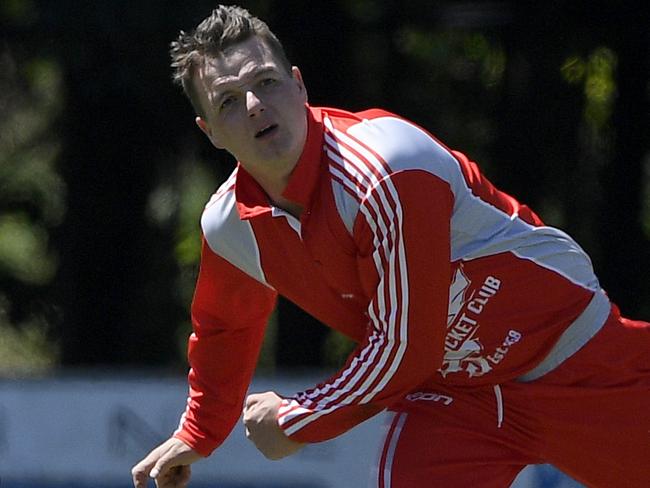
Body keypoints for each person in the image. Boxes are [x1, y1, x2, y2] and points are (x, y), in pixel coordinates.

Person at [131, 5, 650, 488]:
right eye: (226, 100)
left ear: (298, 85)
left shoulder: (387, 168)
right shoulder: (228, 227)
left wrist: (294, 418)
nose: (253, 105)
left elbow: (406, 345)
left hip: (571, 356)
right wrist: (198, 433)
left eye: (266, 82)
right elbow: (226, 328)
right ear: (210, 133)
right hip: (455, 399)